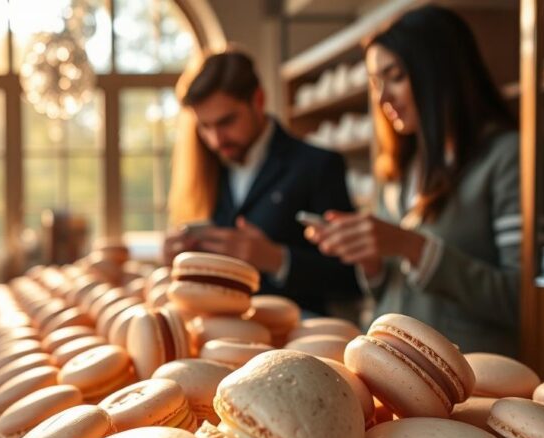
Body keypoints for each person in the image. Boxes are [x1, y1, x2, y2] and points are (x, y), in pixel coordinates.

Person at [305, 6, 521, 356]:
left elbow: (526, 301)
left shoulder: (507, 157)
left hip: (466, 380)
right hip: (391, 366)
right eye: (375, 83)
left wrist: (413, 246)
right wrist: (370, 261)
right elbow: (395, 290)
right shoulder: (401, 169)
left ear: (441, 73)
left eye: (395, 77)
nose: (381, 97)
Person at [163, 50, 360, 315]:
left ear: (258, 100)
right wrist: (177, 262)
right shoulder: (207, 172)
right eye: (205, 127)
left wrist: (277, 259)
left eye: (226, 121)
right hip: (221, 335)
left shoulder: (318, 165)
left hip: (297, 340)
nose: (216, 140)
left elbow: (351, 278)